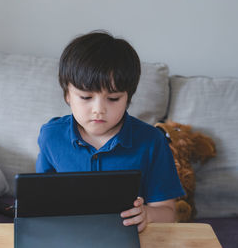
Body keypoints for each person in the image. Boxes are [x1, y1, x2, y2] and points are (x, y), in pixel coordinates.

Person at [36, 30, 185, 232]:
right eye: (86, 97)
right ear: (67, 95)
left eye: (113, 99)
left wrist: (147, 215)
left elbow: (168, 212)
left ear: (128, 98)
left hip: (126, 236)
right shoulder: (51, 136)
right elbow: (41, 200)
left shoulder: (151, 141)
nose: (99, 109)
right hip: (69, 235)